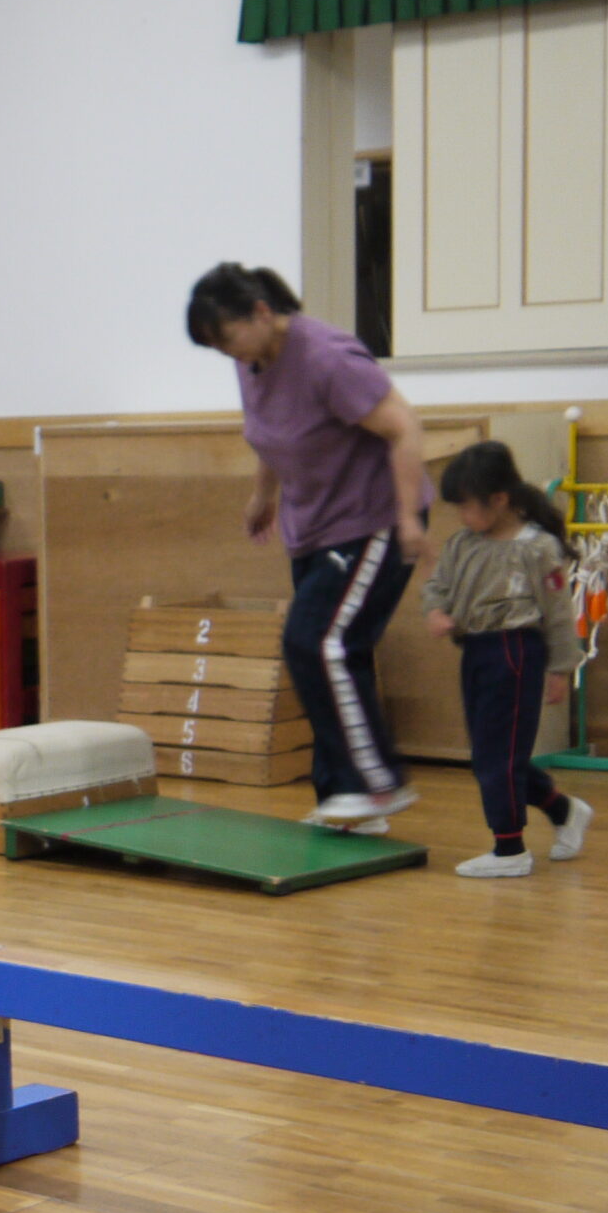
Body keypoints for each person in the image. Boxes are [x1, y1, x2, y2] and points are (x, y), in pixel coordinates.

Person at [188, 263, 431, 830]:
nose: (226, 354)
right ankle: (344, 803)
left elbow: (404, 427)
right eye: (214, 347)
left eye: (226, 338)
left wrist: (406, 519)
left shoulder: (326, 358)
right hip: (315, 526)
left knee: (316, 642)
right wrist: (263, 495)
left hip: (373, 517)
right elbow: (271, 434)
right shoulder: (252, 360)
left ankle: (376, 785)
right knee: (334, 654)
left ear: (261, 312)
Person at [422, 443, 591, 879]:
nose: (462, 516)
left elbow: (558, 612)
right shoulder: (462, 544)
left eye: (468, 506)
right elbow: (437, 585)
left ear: (499, 499)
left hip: (515, 652)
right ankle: (563, 810)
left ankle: (510, 848)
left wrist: (560, 668)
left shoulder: (537, 549)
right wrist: (436, 610)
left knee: (498, 757)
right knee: (490, 755)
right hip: (476, 652)